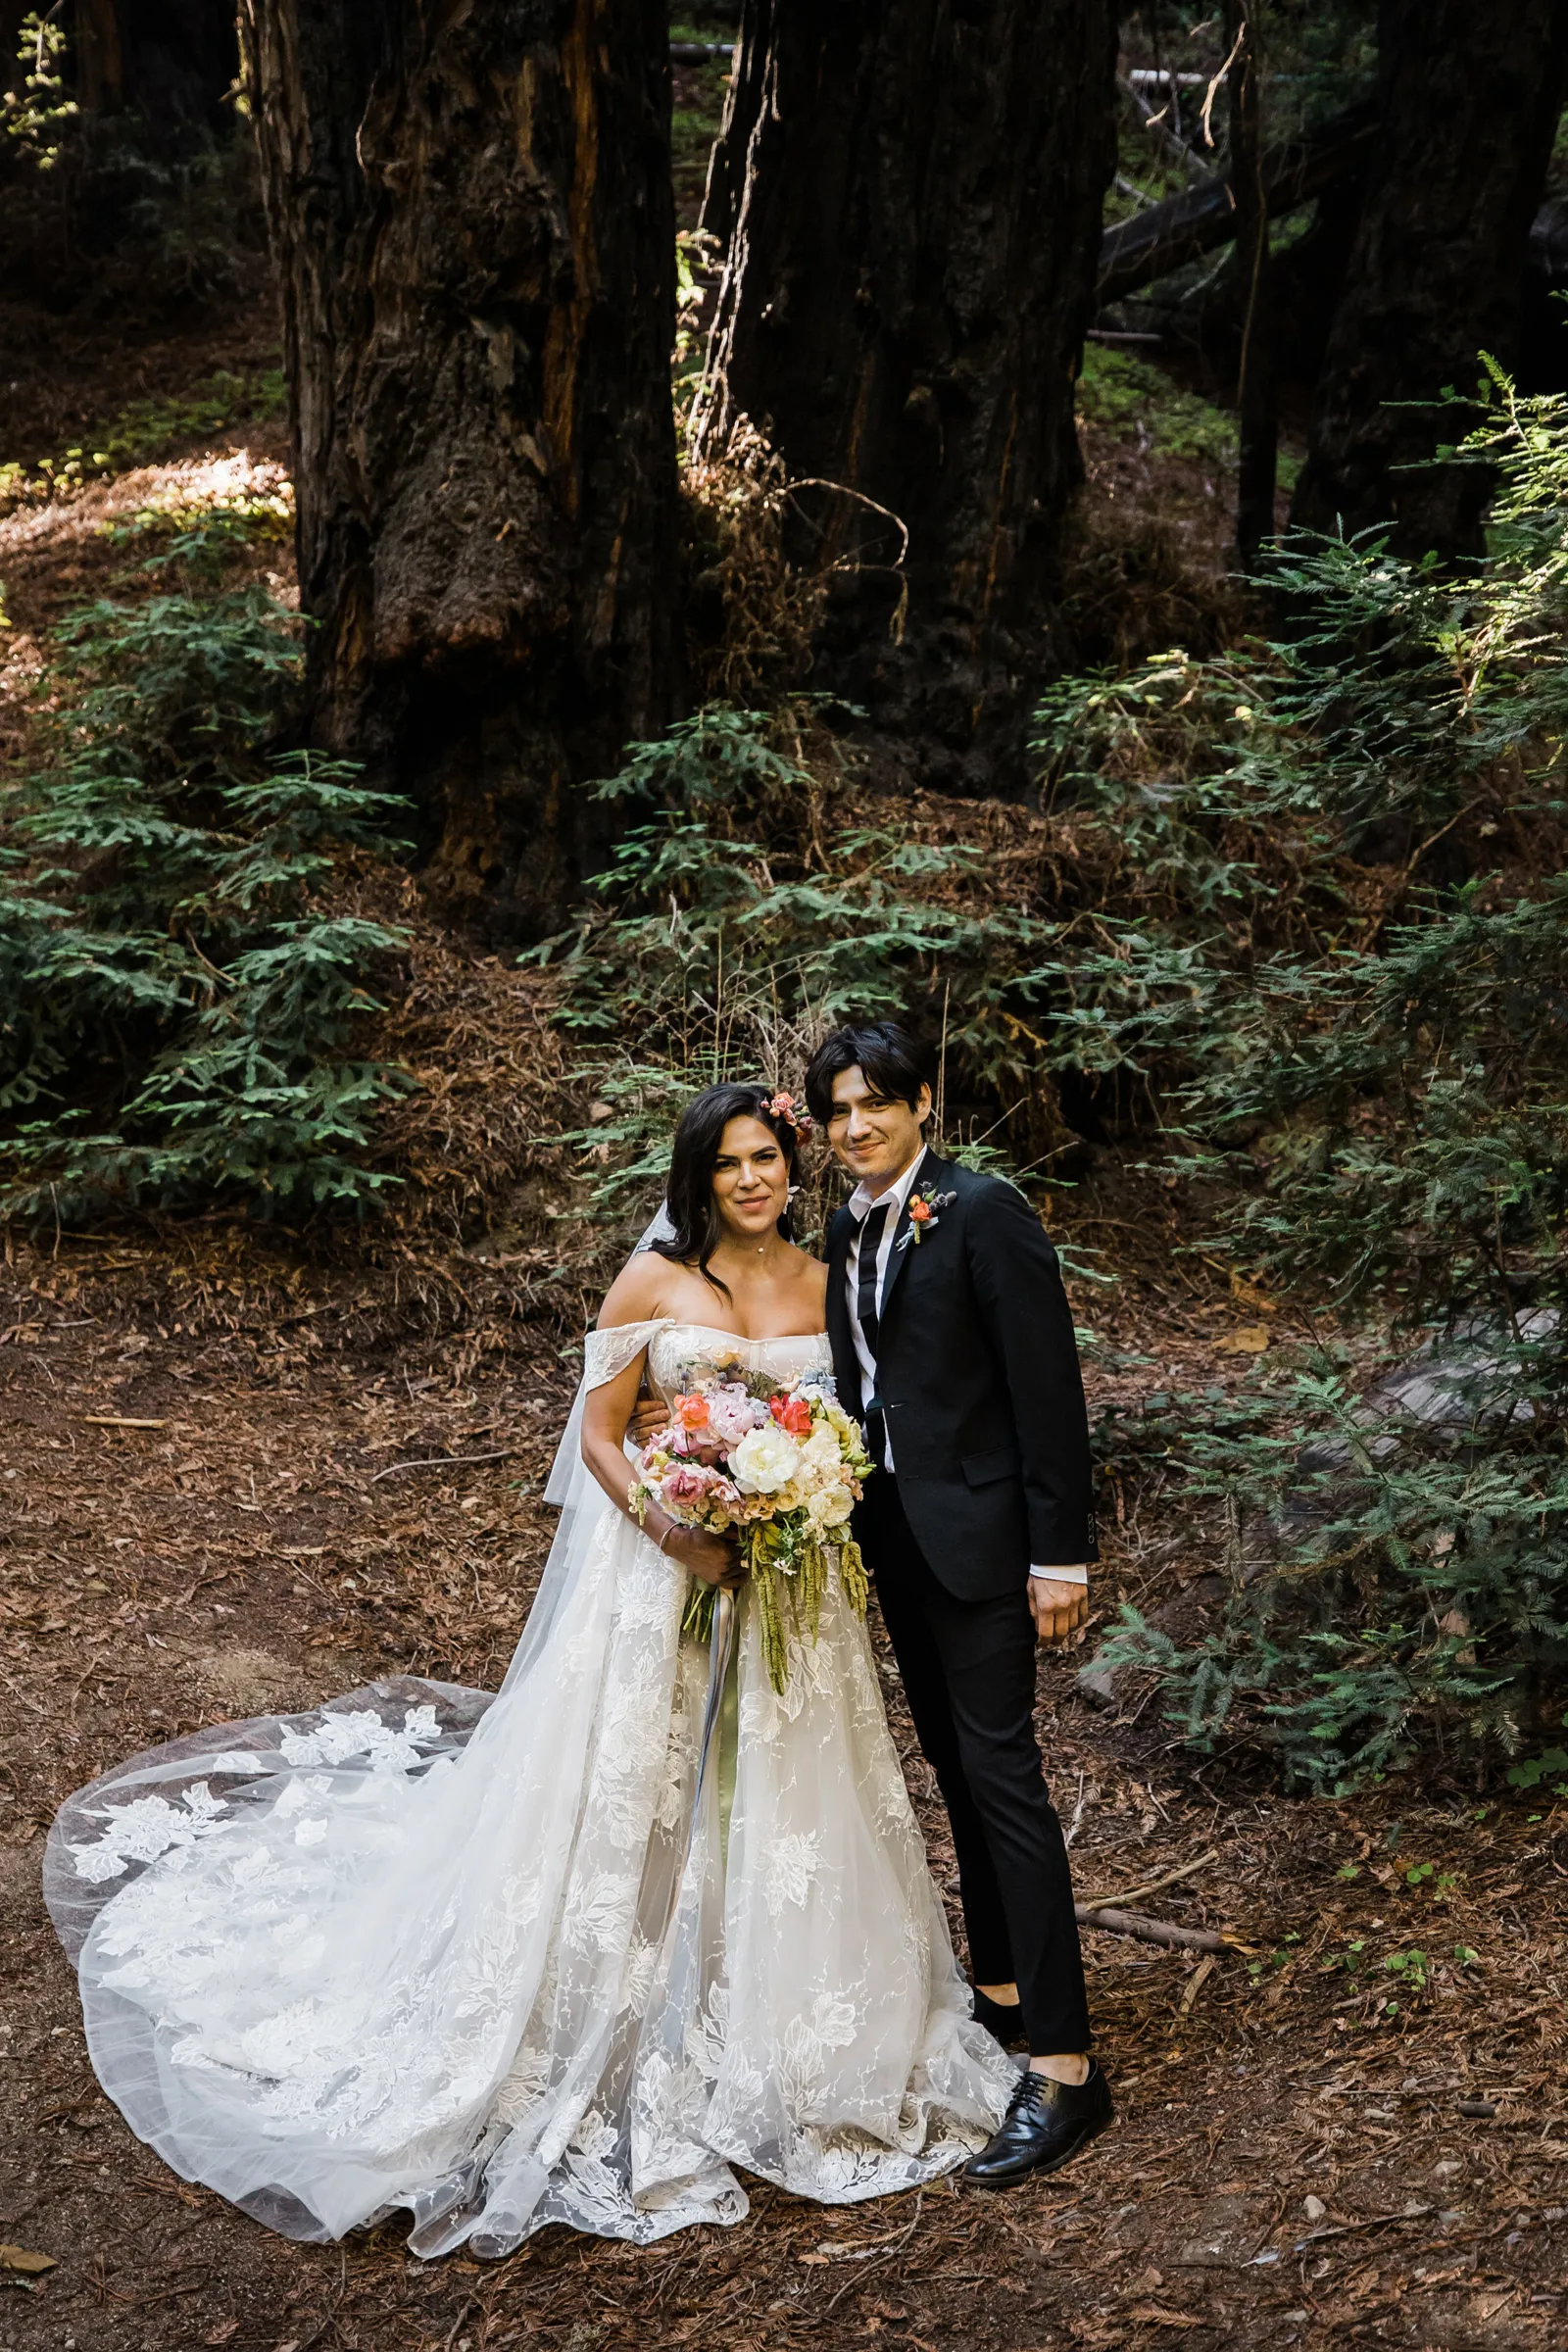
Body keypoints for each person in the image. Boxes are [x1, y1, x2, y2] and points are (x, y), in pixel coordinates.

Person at [42, 1083, 1014, 2258]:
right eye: (727, 1164)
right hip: (662, 1577)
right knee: (635, 1784)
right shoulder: (652, 1281)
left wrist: (807, 1496)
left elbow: (858, 1428)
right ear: (698, 1176)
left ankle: (784, 2021)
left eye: (765, 1158)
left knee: (786, 1795)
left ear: (788, 1165)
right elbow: (601, 1436)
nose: (751, 1180)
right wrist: (677, 1530)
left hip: (790, 1596)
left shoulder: (826, 1284)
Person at [802, 1020, 1112, 2184]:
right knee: (950, 1765)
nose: (856, 1126)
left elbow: (1048, 1388)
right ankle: (1003, 1992)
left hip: (985, 1542)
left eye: (875, 1103)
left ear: (921, 1102)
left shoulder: (983, 1211)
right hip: (892, 1535)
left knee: (1002, 1774)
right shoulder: (845, 1226)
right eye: (838, 1111)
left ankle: (1068, 2068)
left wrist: (1060, 1555)